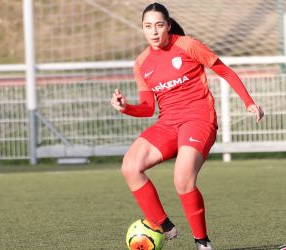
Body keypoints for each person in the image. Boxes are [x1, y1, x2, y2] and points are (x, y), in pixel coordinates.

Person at [110, 2, 264, 250]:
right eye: (148, 26)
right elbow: (149, 107)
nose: (154, 31)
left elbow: (224, 71)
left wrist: (249, 102)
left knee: (182, 178)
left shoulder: (187, 45)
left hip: (199, 119)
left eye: (159, 25)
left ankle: (202, 243)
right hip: (168, 123)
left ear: (168, 26)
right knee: (130, 166)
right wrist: (126, 107)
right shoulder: (141, 63)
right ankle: (163, 225)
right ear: (142, 29)